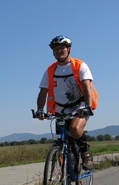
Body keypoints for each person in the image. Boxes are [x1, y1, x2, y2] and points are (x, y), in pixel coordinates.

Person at [35, 35, 96, 170]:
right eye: (55, 49)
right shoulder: (50, 70)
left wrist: (87, 106)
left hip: (80, 106)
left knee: (74, 129)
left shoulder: (80, 65)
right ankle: (65, 175)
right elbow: (42, 92)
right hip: (60, 110)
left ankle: (86, 152)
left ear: (69, 49)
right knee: (61, 141)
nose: (58, 51)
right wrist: (40, 110)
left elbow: (87, 87)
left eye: (62, 48)